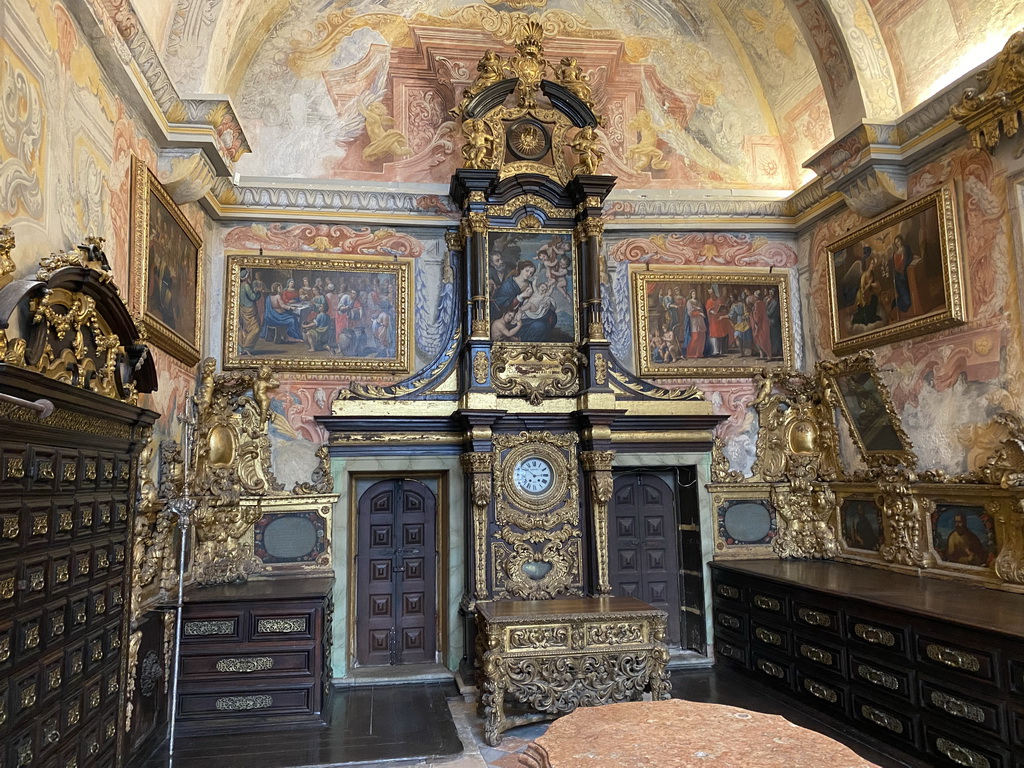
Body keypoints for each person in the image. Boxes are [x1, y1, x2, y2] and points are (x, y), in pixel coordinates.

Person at [237, 269, 262, 356]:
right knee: (255, 328)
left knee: (245, 329)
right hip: (250, 311)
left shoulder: (240, 286)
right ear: (247, 277)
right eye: (249, 276)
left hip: (243, 310)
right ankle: (246, 347)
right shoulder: (246, 285)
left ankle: (241, 348)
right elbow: (253, 297)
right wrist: (258, 292)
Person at [683, 289, 709, 359]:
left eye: (695, 293)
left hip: (700, 321)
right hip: (694, 321)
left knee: (702, 337)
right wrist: (699, 312)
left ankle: (699, 353)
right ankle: (691, 353)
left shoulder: (698, 302)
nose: (694, 295)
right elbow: (690, 313)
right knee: (695, 337)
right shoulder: (689, 302)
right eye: (693, 293)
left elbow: (702, 310)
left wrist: (699, 311)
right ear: (691, 294)